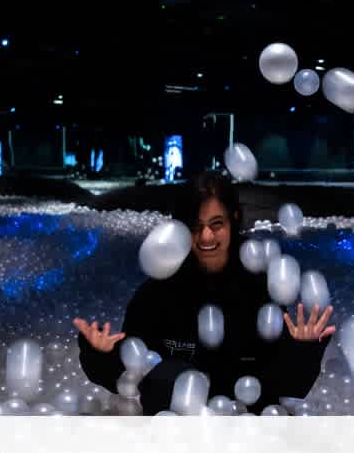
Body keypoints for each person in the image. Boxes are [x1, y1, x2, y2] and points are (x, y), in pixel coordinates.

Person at [74, 171, 334, 414]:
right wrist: (100, 353)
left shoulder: (259, 287)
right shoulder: (158, 291)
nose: (206, 236)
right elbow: (133, 373)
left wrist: (303, 348)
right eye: (196, 226)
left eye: (216, 224)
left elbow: (287, 384)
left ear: (233, 220)